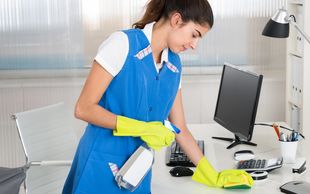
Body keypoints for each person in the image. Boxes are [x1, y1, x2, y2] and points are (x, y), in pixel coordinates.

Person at [62, 0, 253, 193]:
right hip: (100, 163)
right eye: (194, 35)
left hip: (137, 170)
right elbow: (84, 108)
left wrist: (213, 175)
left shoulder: (174, 65)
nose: (195, 45)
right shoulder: (122, 44)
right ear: (177, 20)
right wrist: (142, 128)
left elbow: (181, 130)